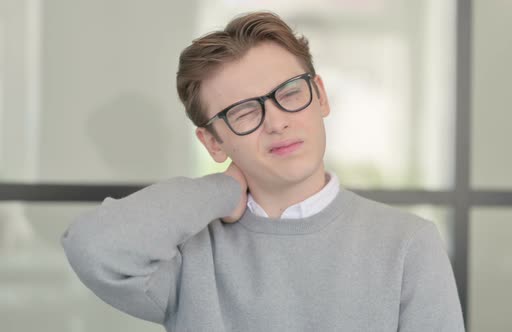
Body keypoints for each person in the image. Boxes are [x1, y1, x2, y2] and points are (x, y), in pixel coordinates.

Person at [61, 11, 465, 332]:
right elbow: (94, 248)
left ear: (319, 96)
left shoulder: (409, 244)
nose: (276, 122)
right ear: (213, 142)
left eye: (289, 93)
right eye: (243, 111)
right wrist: (221, 190)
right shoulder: (190, 254)